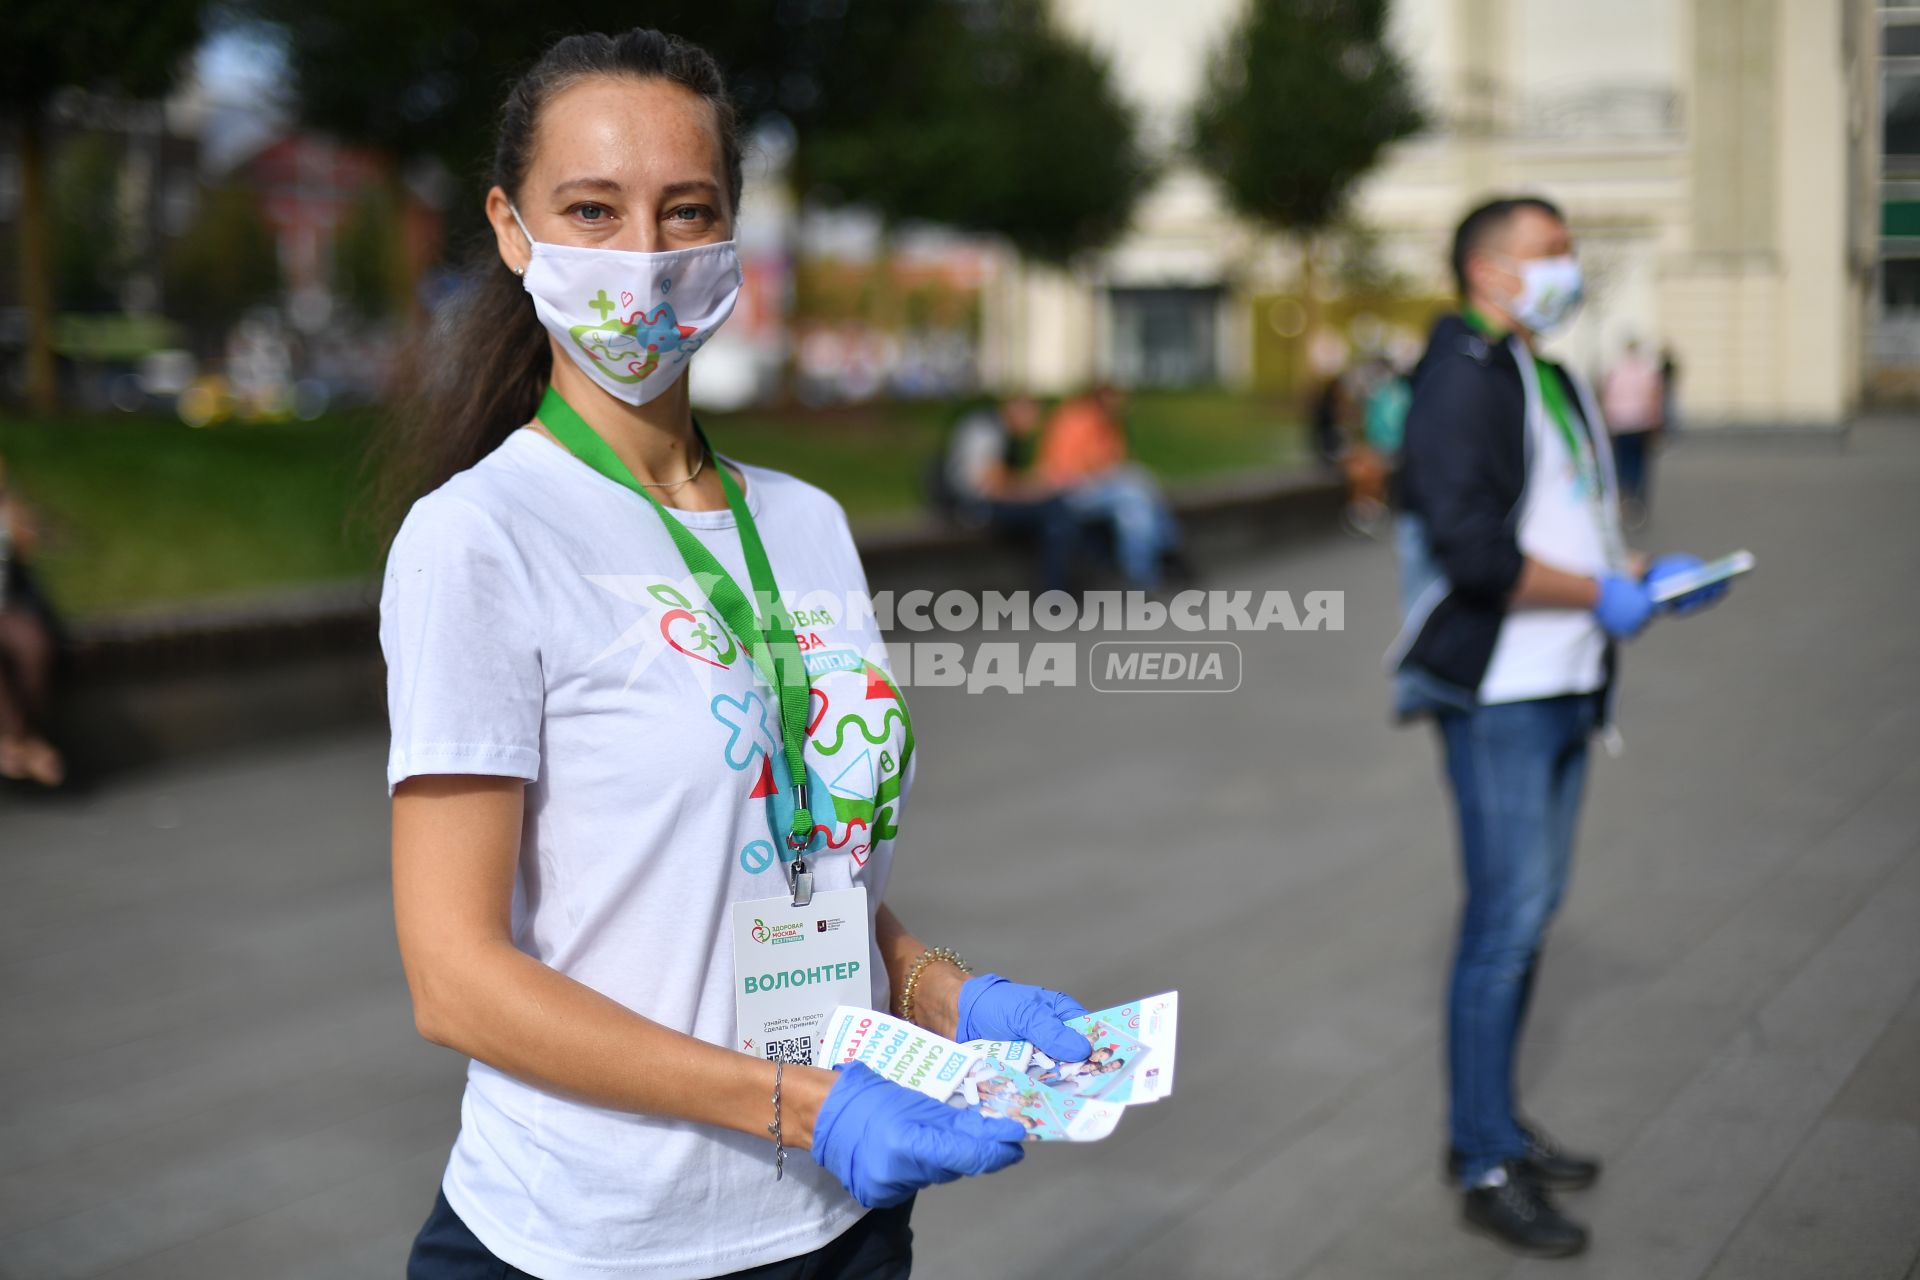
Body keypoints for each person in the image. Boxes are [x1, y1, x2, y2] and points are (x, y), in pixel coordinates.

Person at [377, 30, 1102, 1280]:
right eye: (592, 210)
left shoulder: (806, 522)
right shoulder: (479, 539)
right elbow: (456, 979)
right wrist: (802, 1103)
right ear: (510, 227)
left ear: (731, 233)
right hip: (602, 1240)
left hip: (842, 1217)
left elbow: (785, 847)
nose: (645, 258)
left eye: (686, 211)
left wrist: (929, 982)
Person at [1387, 195, 1731, 1259]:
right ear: (1487, 271)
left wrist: (1642, 579)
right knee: (1504, 923)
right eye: (1550, 252)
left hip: (1565, 677)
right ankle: (1479, 1156)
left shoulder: (1546, 367)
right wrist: (1599, 594)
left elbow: (1564, 516)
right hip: (1503, 693)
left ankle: (1497, 1124)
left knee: (1526, 919)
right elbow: (1476, 551)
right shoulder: (1461, 377)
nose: (1568, 267)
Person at [1036, 384, 1184, 591]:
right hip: (1072, 491)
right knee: (1134, 496)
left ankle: (1153, 565)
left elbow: (1116, 460)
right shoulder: (1075, 420)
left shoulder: (1108, 422)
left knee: (1138, 493)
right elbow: (1068, 470)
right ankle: (1154, 564)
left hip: (1100, 486)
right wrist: (1106, 473)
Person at [941, 395, 1083, 591]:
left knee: (1058, 515)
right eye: (1033, 416)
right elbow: (991, 484)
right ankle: (1055, 590)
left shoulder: (1004, 433)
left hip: (987, 501)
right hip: (972, 506)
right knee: (1055, 515)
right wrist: (1031, 488)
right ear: (1017, 410)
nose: (1034, 424)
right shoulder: (987, 430)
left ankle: (1057, 587)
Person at [0, 458, 65, 788]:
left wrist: (21, 530)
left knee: (35, 645)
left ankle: (16, 744)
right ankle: (25, 744)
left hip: (7, 606)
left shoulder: (10, 511)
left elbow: (27, 555)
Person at [1600, 338, 1664, 524]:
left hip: (1619, 423)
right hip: (1641, 423)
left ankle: (1625, 495)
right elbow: (1654, 396)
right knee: (1639, 463)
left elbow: (1607, 395)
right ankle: (1637, 497)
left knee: (1622, 461)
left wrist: (1608, 420)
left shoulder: (1616, 370)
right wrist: (1657, 422)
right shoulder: (1646, 369)